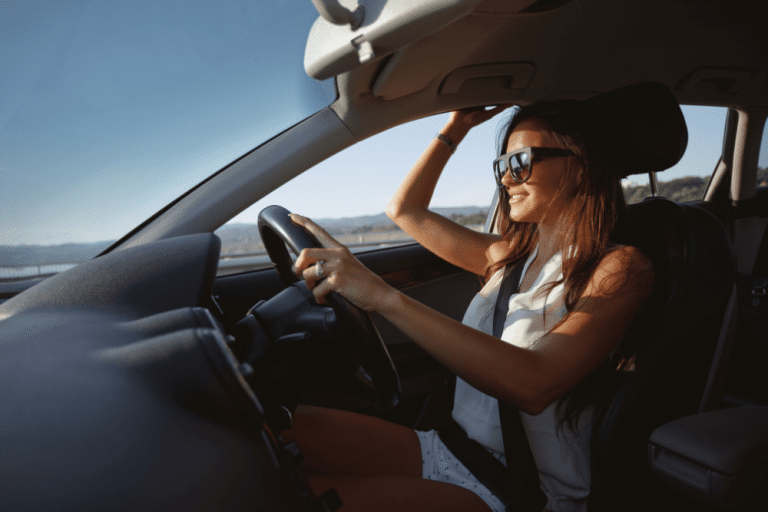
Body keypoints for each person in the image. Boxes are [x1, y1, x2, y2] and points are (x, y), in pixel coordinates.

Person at [284, 102, 655, 512]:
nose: (507, 178)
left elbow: (535, 384)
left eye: (521, 161)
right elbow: (403, 211)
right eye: (501, 166)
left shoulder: (620, 268)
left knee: (287, 499)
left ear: (582, 167)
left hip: (523, 490)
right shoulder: (507, 256)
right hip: (452, 449)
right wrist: (455, 127)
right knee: (271, 428)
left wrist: (385, 297)